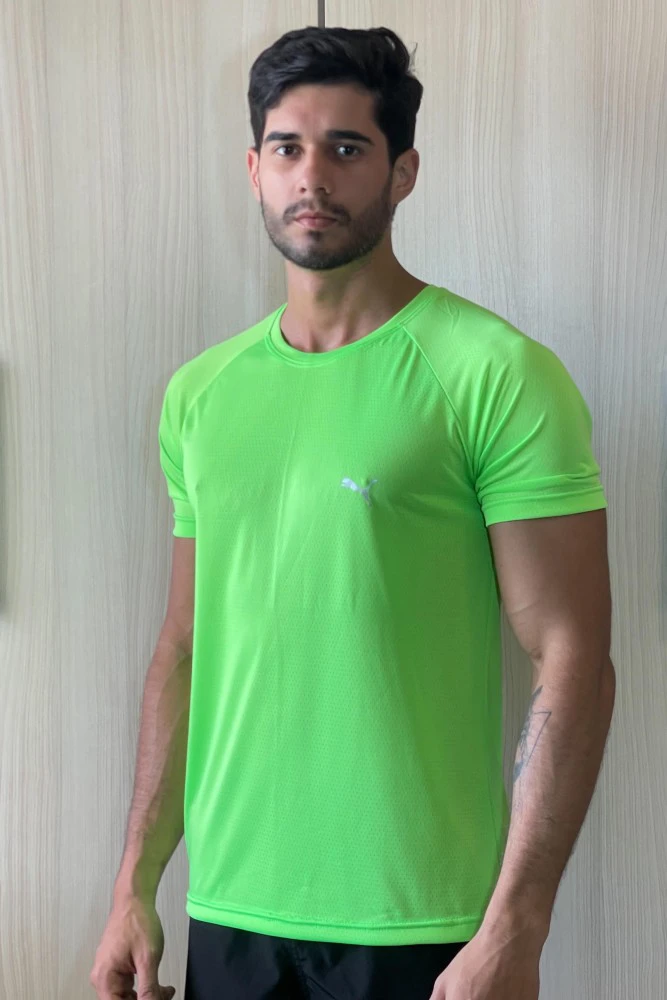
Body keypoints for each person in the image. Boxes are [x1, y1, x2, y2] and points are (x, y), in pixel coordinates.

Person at [91, 24, 616, 1000]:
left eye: (345, 148)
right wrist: (134, 884)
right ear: (253, 169)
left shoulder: (494, 373)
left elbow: (572, 655)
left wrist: (516, 926)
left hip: (421, 922)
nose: (312, 177)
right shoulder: (200, 394)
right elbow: (184, 644)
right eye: (287, 147)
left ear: (402, 171)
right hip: (231, 909)